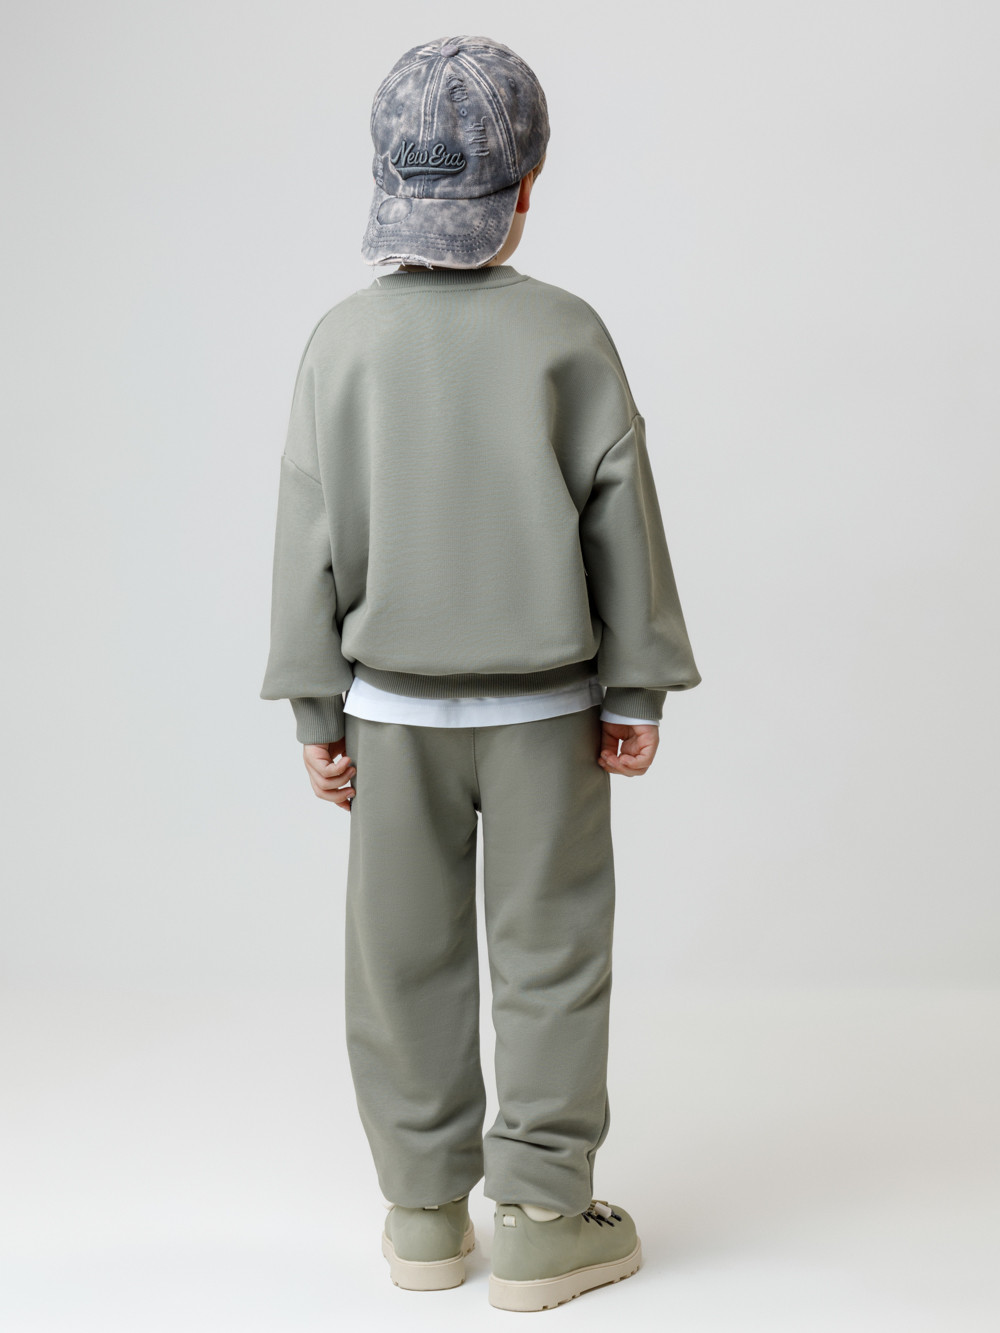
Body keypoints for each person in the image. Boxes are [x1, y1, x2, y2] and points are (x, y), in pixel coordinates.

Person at [260, 34, 702, 1313]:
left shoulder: (341, 342)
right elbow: (621, 515)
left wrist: (315, 706)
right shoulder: (567, 334)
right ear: (528, 185)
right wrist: (635, 689)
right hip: (546, 715)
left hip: (388, 717)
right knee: (550, 954)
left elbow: (307, 532)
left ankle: (420, 1217)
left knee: (399, 958)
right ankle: (544, 1219)